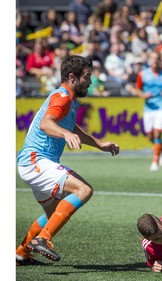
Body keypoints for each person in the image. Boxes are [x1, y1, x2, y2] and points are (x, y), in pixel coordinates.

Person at [16, 55, 120, 265]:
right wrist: (65, 135)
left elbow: (71, 127)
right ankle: (43, 239)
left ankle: (21, 253)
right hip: (37, 160)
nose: (90, 82)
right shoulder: (63, 96)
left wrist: (99, 144)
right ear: (72, 77)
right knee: (84, 190)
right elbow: (47, 123)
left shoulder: (69, 99)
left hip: (33, 163)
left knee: (53, 214)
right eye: (87, 77)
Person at [131, 51, 162, 171]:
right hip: (148, 108)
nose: (155, 61)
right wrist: (143, 95)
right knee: (150, 136)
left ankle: (155, 162)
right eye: (153, 58)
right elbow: (137, 89)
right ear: (149, 60)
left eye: (157, 58)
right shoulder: (143, 74)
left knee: (157, 133)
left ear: (160, 60)